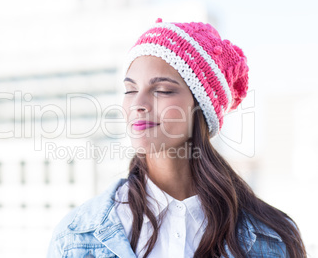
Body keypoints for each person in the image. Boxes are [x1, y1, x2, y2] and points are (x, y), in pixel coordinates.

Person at [46, 18, 307, 257]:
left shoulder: (273, 238)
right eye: (130, 90)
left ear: (201, 108)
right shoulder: (74, 238)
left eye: (161, 90)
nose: (138, 103)